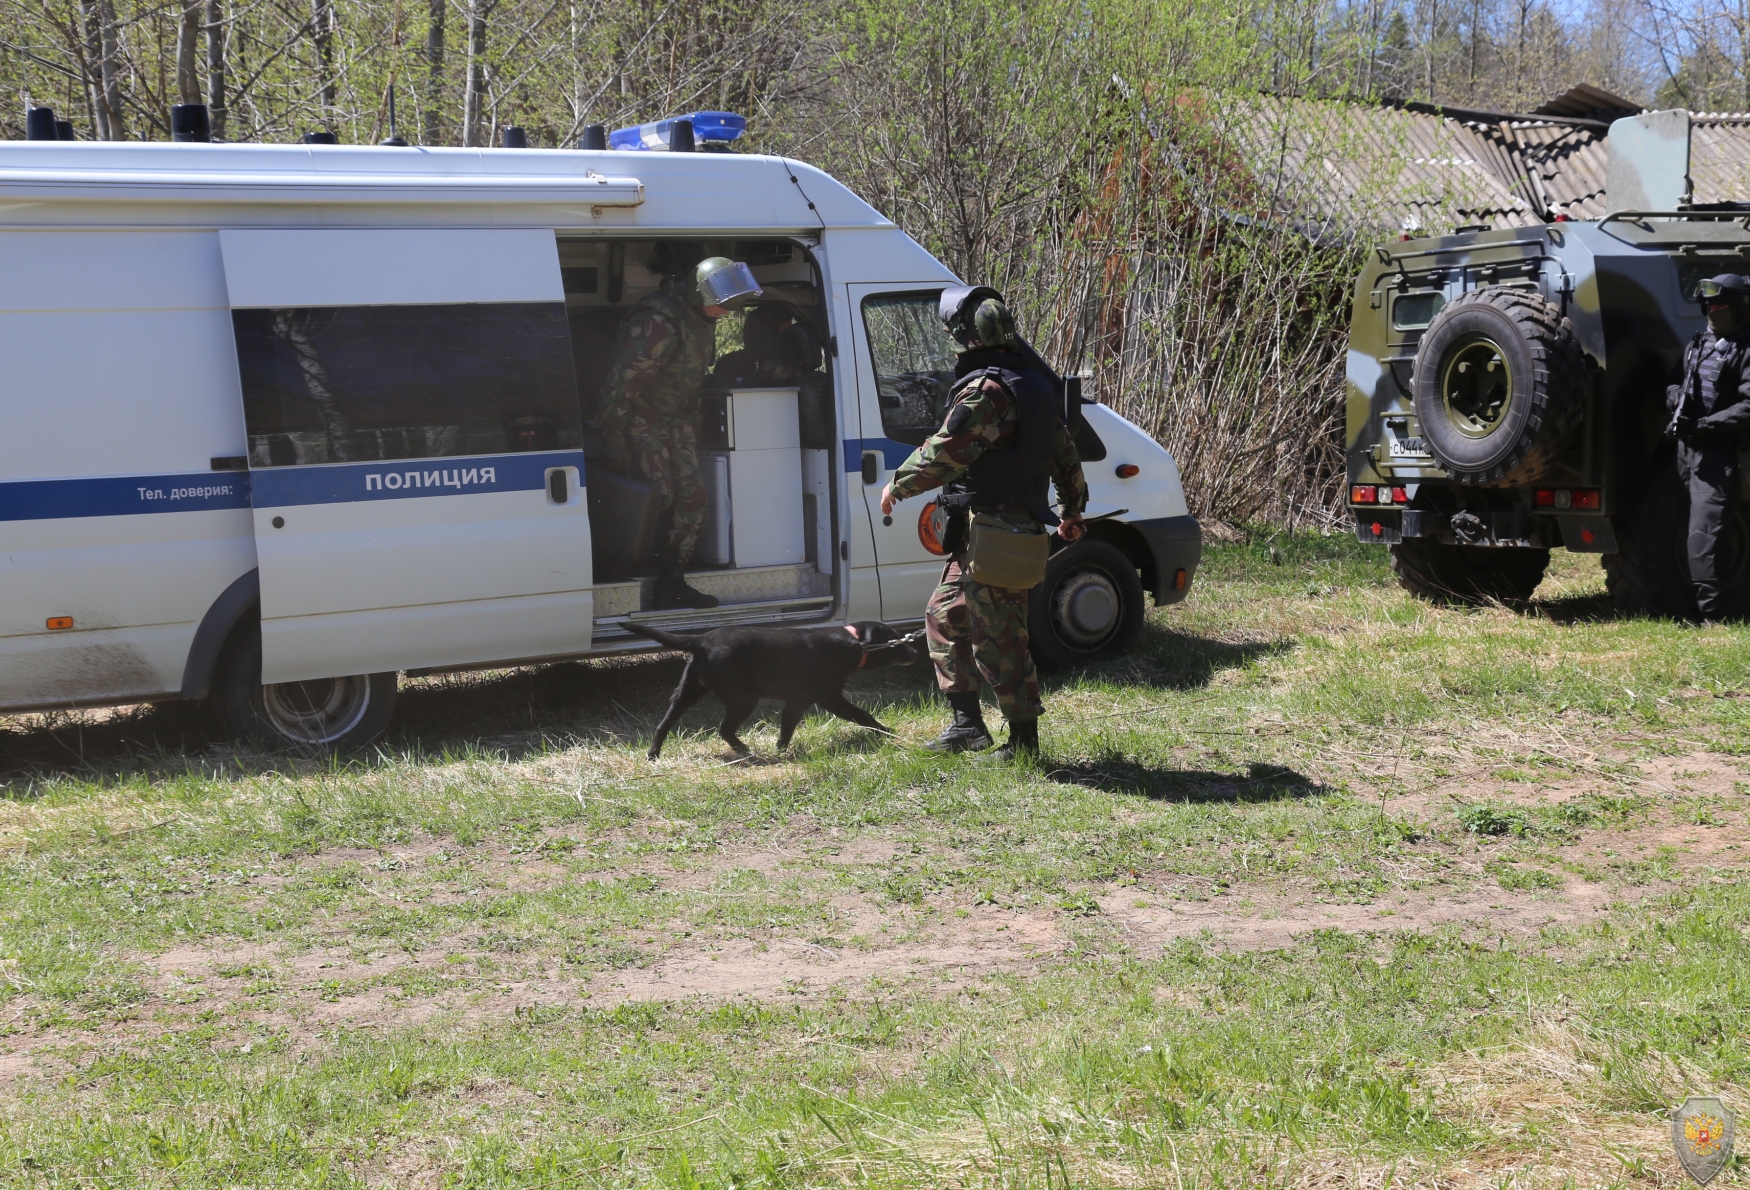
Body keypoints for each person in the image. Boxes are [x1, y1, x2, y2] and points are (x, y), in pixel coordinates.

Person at [879, 286, 1087, 758]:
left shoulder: (987, 390)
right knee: (944, 616)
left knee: (999, 637)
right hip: (989, 532)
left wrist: (899, 484)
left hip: (997, 535)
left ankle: (1024, 742)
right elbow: (1066, 455)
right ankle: (967, 725)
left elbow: (946, 452)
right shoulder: (1031, 382)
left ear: (962, 335)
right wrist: (1073, 509)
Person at [601, 255, 763, 609]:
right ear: (702, 296)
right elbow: (621, 382)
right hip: (641, 420)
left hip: (678, 422)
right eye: (722, 308)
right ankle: (626, 576)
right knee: (656, 498)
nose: (726, 315)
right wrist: (613, 436)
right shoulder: (659, 320)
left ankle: (671, 582)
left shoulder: (700, 318)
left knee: (692, 501)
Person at [1668, 272, 1750, 622]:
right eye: (1709, 305)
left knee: (1706, 533)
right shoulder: (1699, 343)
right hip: (1688, 451)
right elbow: (1676, 381)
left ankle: (1714, 619)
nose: (1713, 311)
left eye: (1721, 305)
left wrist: (1706, 425)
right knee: (1695, 532)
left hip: (1719, 452)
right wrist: (1675, 401)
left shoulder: (1744, 349)